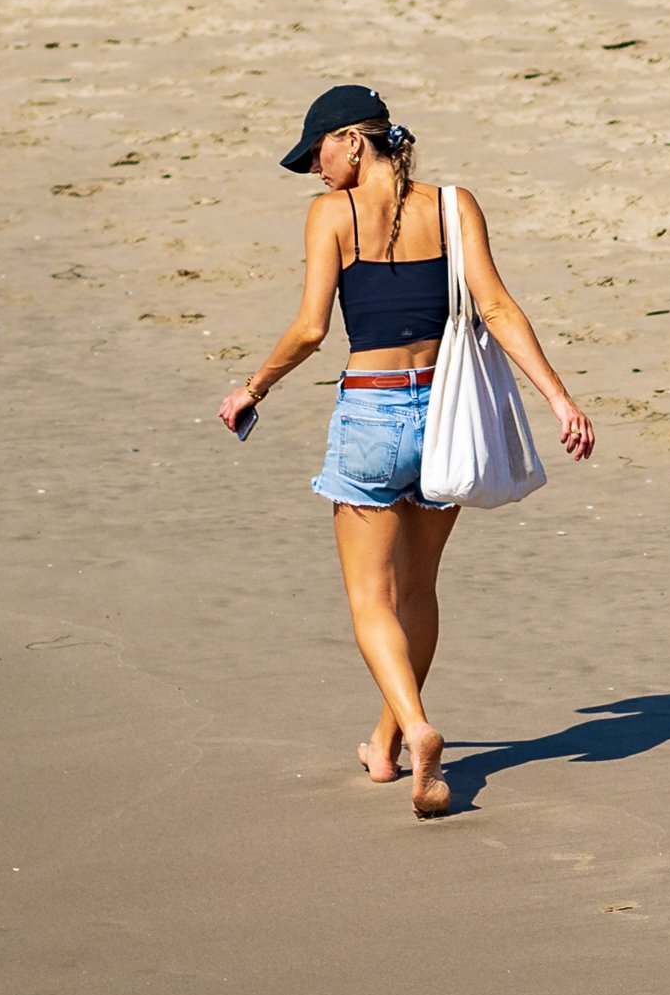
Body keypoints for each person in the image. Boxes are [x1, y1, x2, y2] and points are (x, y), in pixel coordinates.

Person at [221, 86, 595, 819]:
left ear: (353, 142)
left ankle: (419, 729)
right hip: (447, 417)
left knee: (369, 599)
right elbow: (497, 307)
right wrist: (559, 399)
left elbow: (308, 330)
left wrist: (252, 388)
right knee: (417, 589)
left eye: (318, 153)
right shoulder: (455, 206)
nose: (314, 170)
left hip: (373, 413)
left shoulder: (332, 215)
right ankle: (386, 745)